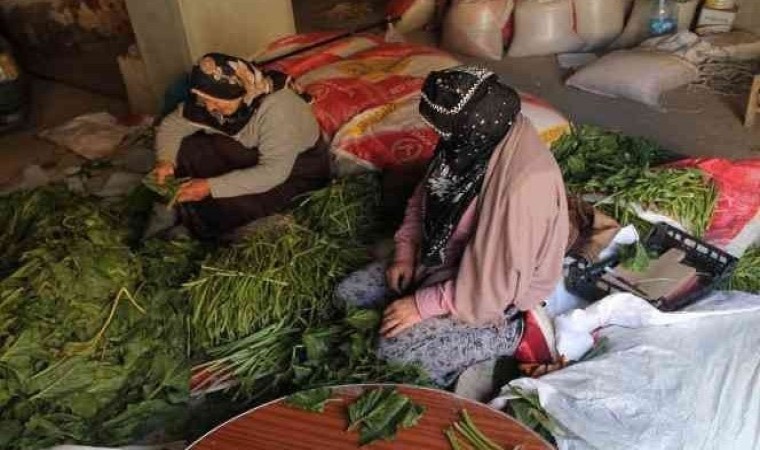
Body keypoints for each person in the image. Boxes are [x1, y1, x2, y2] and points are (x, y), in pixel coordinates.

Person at [336, 66, 569, 386]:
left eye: (445, 130)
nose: (441, 137)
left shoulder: (521, 189)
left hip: (491, 290)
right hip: (444, 261)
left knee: (393, 353)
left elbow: (495, 285)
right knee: (348, 296)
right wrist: (405, 252)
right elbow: (426, 197)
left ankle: (514, 333)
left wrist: (421, 305)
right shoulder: (471, 144)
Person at [151, 53, 330, 239]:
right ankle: (189, 211)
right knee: (189, 148)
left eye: (215, 101)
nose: (210, 108)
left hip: (295, 174)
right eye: (204, 99)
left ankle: (204, 230)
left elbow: (273, 172)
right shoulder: (214, 97)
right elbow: (172, 125)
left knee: (232, 204)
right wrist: (166, 160)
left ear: (240, 92)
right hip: (251, 153)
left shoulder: (278, 109)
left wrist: (211, 186)